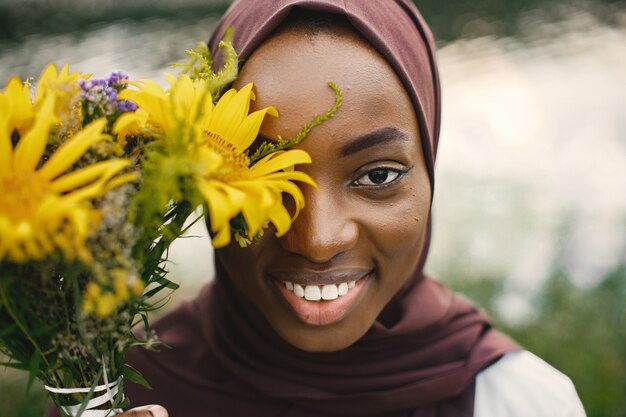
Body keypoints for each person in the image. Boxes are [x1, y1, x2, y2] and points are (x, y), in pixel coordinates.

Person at [48, 1, 586, 416]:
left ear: (430, 169)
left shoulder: (517, 401)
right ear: (195, 179)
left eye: (377, 175)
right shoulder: (99, 387)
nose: (316, 239)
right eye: (265, 175)